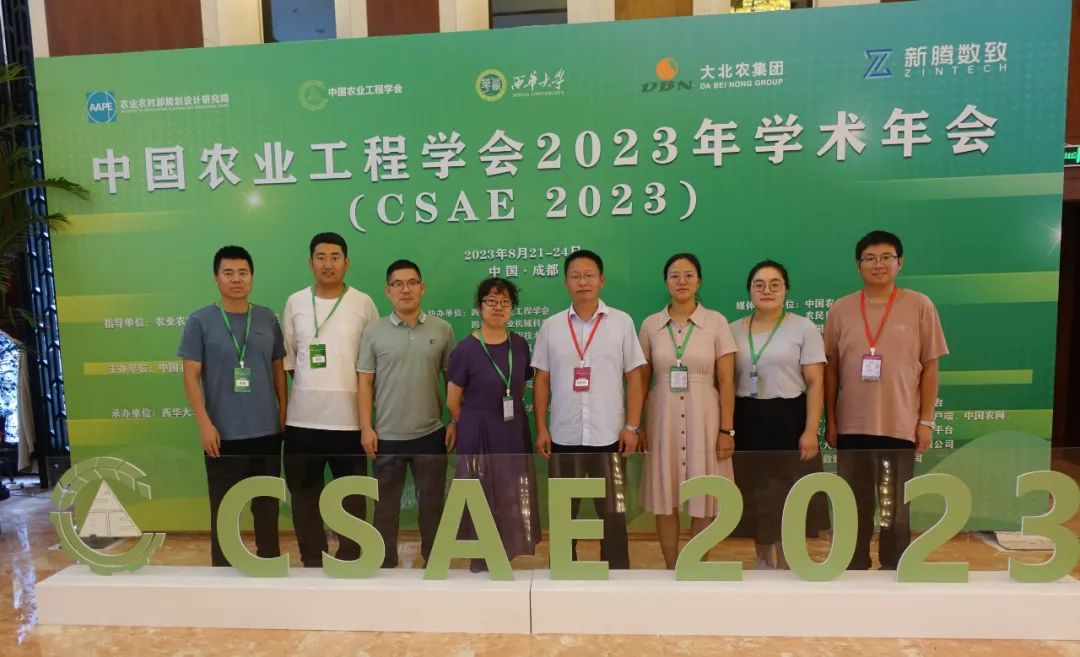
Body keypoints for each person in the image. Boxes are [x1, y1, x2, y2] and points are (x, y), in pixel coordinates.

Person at [824, 230, 948, 570]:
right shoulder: (840, 309)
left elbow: (931, 367)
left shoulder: (920, 305)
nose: (878, 265)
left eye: (886, 258)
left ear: (899, 262)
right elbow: (830, 369)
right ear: (858, 265)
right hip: (852, 426)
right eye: (870, 259)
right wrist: (830, 420)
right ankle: (853, 567)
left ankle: (894, 569)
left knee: (895, 509)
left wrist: (926, 421)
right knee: (854, 504)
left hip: (900, 425)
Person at [532, 249, 646, 569]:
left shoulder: (621, 322)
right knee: (564, 514)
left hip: (610, 436)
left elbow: (635, 377)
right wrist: (541, 428)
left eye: (589, 275)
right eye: (575, 276)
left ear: (601, 280)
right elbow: (542, 380)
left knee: (612, 515)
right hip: (563, 436)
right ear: (566, 282)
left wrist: (632, 427)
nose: (583, 281)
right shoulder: (551, 326)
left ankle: (616, 577)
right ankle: (563, 575)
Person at [178, 245, 286, 567]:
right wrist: (204, 424)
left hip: (267, 431)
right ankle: (223, 574)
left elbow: (278, 368)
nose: (236, 279)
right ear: (216, 279)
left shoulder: (267, 318)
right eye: (228, 273)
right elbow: (190, 376)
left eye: (243, 273)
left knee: (267, 508)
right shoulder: (200, 320)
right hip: (222, 435)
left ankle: (269, 566)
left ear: (252, 277)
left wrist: (283, 410)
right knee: (224, 510)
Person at [281, 232, 379, 567]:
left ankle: (350, 559)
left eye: (335, 257)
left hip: (349, 423)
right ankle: (312, 560)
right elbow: (291, 361)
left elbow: (372, 363)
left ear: (346, 262)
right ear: (310, 262)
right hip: (302, 421)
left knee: (351, 497)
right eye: (320, 257)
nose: (328, 264)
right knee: (304, 497)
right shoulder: (295, 302)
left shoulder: (363, 303)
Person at [638, 253, 737, 570]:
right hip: (662, 417)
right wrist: (638, 425)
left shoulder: (716, 322)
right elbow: (641, 380)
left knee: (705, 494)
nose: (682, 281)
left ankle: (696, 567)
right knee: (664, 497)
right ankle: (671, 568)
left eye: (689, 275)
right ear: (666, 281)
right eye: (675, 275)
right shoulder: (650, 325)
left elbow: (726, 380)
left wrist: (726, 429)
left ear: (699, 280)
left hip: (705, 416)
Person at [357, 259, 455, 568]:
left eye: (412, 283)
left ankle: (435, 563)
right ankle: (384, 564)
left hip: (431, 433)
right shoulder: (373, 332)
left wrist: (455, 421)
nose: (405, 289)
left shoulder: (442, 329)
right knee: (385, 509)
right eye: (397, 284)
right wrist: (366, 427)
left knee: (433, 506)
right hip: (386, 436)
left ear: (422, 288)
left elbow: (452, 381)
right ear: (388, 291)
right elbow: (365, 382)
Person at [730, 260, 826, 570]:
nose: (767, 290)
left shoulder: (803, 328)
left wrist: (810, 430)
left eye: (775, 284)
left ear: (786, 289)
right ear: (749, 291)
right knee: (756, 493)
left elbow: (815, 382)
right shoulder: (733, 329)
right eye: (759, 284)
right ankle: (763, 560)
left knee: (789, 494)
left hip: (789, 417)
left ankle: (788, 562)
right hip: (747, 418)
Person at [446, 277, 541, 572]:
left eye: (505, 302)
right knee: (480, 492)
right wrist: (470, 424)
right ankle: (480, 557)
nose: (498, 307)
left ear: (512, 308)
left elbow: (520, 384)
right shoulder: (466, 349)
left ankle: (506, 554)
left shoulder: (520, 345)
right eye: (491, 301)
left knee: (511, 491)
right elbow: (453, 401)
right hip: (477, 429)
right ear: (479, 306)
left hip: (512, 428)